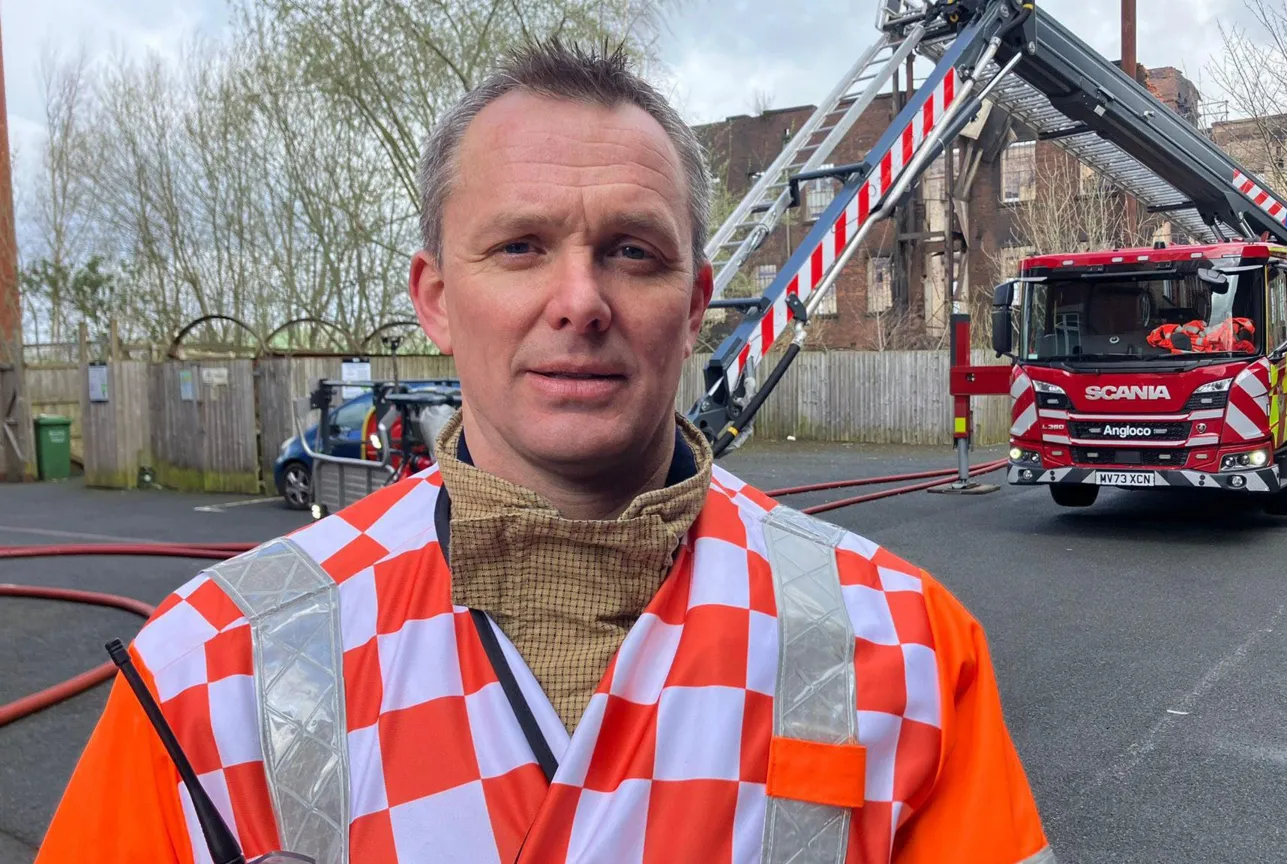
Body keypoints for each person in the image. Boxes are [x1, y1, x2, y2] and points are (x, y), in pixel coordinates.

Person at [35, 39, 1055, 864]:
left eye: (633, 252)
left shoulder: (909, 648)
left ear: (696, 305)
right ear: (435, 298)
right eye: (520, 247)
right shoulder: (210, 670)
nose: (580, 302)